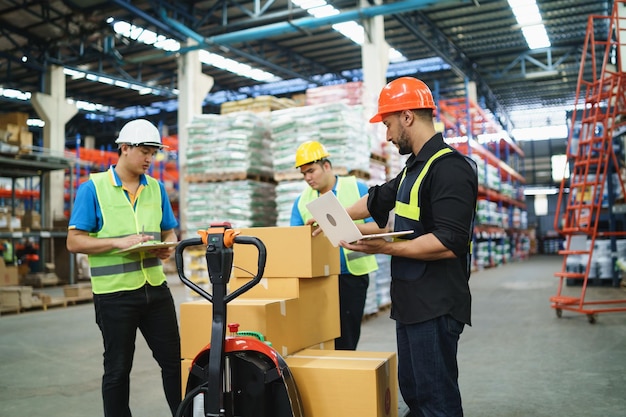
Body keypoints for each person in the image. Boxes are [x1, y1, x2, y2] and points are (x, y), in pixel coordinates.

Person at [339, 77, 477, 417]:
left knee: (436, 402)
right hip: (412, 304)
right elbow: (377, 200)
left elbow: (449, 242)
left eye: (387, 125)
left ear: (407, 116)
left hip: (436, 304)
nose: (386, 135)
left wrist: (383, 248)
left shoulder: (449, 168)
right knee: (416, 395)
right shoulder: (412, 169)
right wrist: (332, 216)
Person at [66, 119, 181, 417]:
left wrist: (169, 245)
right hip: (114, 296)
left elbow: (170, 230)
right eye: (145, 151)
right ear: (125, 148)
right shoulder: (92, 188)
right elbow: (74, 241)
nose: (150, 159)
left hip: (155, 291)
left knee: (174, 364)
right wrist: (119, 243)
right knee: (117, 371)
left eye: (154, 153)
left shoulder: (155, 189)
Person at [290, 140, 385, 350]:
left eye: (311, 171)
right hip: (318, 279)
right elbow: (296, 239)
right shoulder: (301, 201)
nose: (307, 177)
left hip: (352, 275)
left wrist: (338, 226)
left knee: (346, 338)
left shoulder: (356, 188)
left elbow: (380, 228)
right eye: (304, 173)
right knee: (319, 337)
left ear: (326, 166)